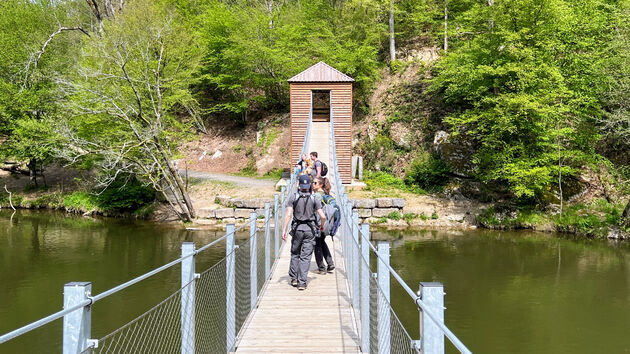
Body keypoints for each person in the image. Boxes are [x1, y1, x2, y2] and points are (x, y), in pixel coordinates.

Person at [282, 174, 326, 290]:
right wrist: (321, 226)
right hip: (310, 230)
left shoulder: (293, 197)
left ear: (299, 184)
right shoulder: (314, 198)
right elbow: (322, 216)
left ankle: (294, 278)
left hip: (297, 230)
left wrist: (284, 230)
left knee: (295, 253)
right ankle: (302, 282)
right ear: (309, 185)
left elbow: (288, 214)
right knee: (305, 257)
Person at [312, 177, 335, 274]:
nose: (312, 184)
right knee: (322, 242)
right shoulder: (325, 194)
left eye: (315, 182)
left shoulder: (317, 195)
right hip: (325, 223)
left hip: (319, 223)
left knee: (317, 244)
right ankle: (330, 263)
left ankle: (321, 268)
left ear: (320, 185)